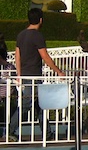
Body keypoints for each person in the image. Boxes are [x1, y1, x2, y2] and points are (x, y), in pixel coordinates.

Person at [9, 8, 65, 140]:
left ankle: (48, 133)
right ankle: (10, 130)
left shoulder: (21, 35)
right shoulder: (37, 36)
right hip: (34, 75)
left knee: (39, 105)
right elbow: (45, 56)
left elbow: (17, 56)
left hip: (26, 75)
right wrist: (58, 71)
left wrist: (19, 74)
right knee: (28, 104)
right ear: (40, 20)